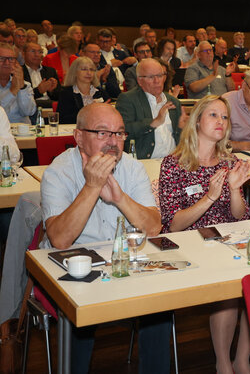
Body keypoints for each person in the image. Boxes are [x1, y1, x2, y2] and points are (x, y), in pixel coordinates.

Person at [40, 103, 171, 373]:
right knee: (81, 309)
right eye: (103, 133)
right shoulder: (58, 171)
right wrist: (92, 186)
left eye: (119, 134)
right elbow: (60, 240)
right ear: (78, 137)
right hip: (74, 263)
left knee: (160, 304)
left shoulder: (132, 168)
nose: (113, 142)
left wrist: (120, 199)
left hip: (123, 261)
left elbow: (154, 226)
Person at [158, 95, 250, 374]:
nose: (220, 122)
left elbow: (240, 217)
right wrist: (210, 197)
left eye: (224, 117)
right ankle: (223, 362)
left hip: (226, 240)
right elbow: (173, 224)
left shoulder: (230, 161)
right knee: (230, 286)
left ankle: (243, 359)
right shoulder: (174, 164)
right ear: (197, 120)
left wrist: (235, 190)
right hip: (187, 244)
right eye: (213, 115)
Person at [115, 58, 185, 159]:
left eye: (160, 76)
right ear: (139, 80)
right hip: (144, 162)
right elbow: (122, 132)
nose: (157, 81)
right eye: (151, 77)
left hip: (173, 162)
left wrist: (185, 128)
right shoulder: (128, 99)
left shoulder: (173, 102)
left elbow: (181, 138)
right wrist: (153, 123)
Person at [57, 56, 105, 125]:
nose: (89, 73)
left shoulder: (100, 92)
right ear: (75, 72)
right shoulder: (67, 93)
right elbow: (62, 119)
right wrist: (88, 111)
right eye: (84, 69)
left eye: (91, 69)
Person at [22, 42, 60, 107]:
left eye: (40, 52)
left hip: (50, 107)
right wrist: (38, 91)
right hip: (29, 107)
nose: (37, 55)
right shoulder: (19, 72)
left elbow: (58, 96)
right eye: (33, 51)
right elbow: (20, 97)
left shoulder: (50, 71)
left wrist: (52, 91)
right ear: (23, 54)